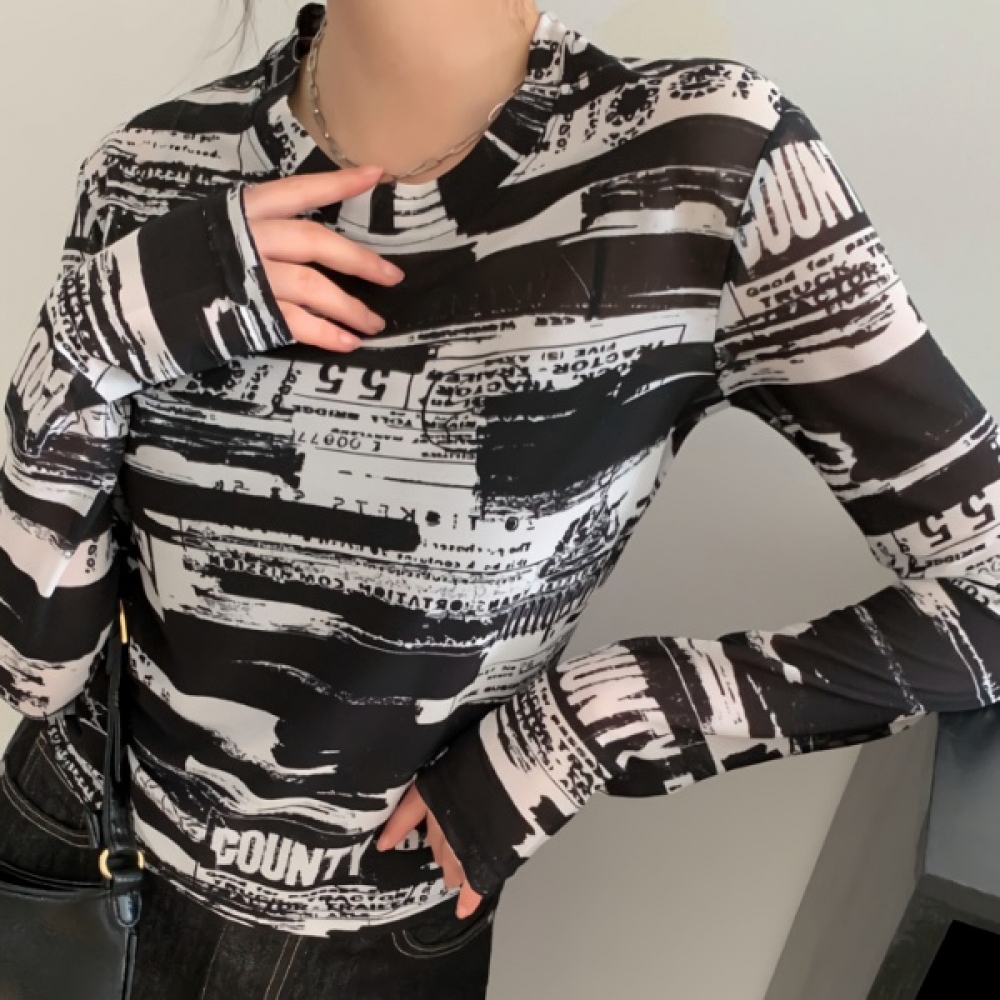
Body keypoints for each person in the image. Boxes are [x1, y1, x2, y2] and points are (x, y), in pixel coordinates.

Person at [2, 0, 999, 996]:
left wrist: (587, 724)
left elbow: (987, 590)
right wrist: (89, 336)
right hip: (69, 850)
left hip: (372, 948)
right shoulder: (151, 166)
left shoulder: (704, 165)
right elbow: (35, 676)